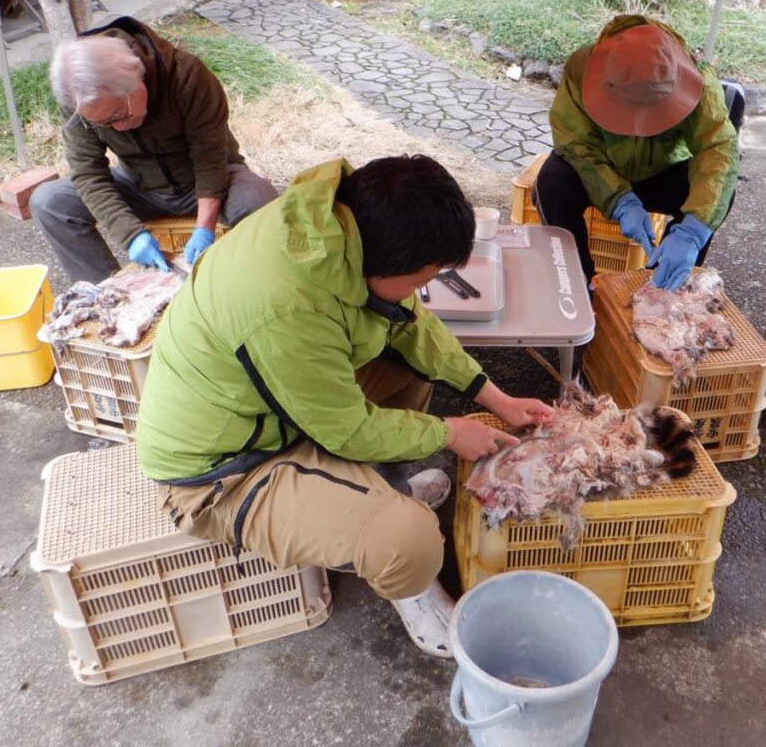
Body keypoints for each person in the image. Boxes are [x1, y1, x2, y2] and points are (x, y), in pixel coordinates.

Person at [135, 155, 555, 658]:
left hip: (270, 409)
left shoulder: (336, 230)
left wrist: (495, 397)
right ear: (391, 261)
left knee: (406, 360)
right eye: (423, 277)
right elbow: (347, 430)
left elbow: (410, 323)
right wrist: (448, 433)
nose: (422, 290)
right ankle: (410, 586)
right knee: (412, 541)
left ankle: (374, 494)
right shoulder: (288, 304)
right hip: (222, 473)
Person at [29, 16, 278, 284]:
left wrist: (204, 228)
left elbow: (210, 162)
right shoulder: (77, 97)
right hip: (140, 185)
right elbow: (88, 174)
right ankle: (111, 296)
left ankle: (258, 286)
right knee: (49, 202)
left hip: (210, 177)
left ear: (137, 75)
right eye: (105, 124)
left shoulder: (186, 75)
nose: (120, 128)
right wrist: (131, 235)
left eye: (119, 114)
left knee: (259, 201)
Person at [535, 15, 739, 291]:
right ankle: (577, 282)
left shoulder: (698, 76)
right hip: (601, 169)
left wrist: (694, 230)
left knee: (717, 195)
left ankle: (660, 285)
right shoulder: (581, 67)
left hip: (660, 170)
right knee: (551, 182)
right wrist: (619, 199)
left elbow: (717, 149)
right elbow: (576, 143)